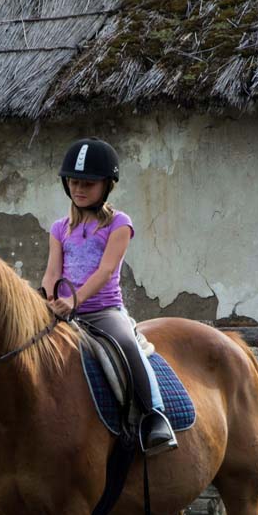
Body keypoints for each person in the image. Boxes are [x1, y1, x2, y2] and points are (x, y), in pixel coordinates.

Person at [42, 137, 177, 455]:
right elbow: (51, 271)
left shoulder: (119, 224)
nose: (79, 189)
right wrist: (49, 299)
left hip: (103, 311)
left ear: (106, 186)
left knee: (129, 345)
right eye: (74, 182)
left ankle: (153, 416)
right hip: (63, 310)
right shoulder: (60, 228)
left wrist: (74, 301)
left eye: (88, 183)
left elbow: (104, 271)